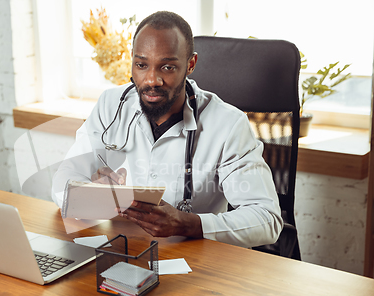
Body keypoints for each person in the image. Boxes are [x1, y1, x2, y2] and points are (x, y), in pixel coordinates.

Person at [51, 11, 283, 248]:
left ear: (190, 64)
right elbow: (64, 181)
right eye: (141, 65)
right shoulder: (111, 105)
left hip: (195, 262)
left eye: (167, 67)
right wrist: (91, 195)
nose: (152, 80)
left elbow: (267, 219)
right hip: (121, 250)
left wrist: (188, 224)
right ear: (132, 60)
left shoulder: (227, 124)